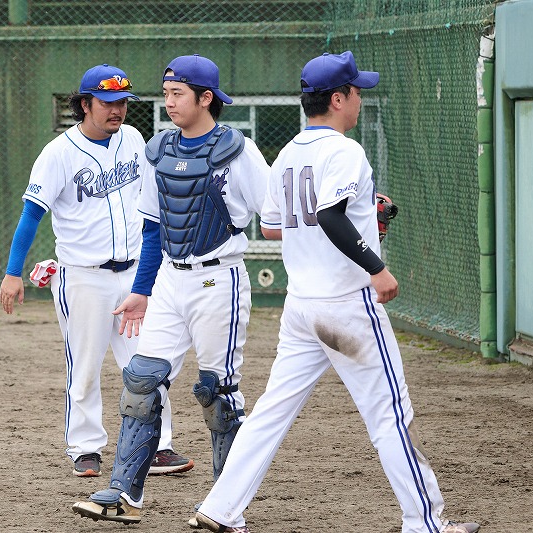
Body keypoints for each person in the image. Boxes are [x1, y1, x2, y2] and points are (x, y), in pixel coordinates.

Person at [189, 51, 481, 533]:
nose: (360, 99)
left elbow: (275, 227)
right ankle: (425, 524)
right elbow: (328, 215)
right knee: (390, 416)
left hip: (301, 306)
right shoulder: (345, 151)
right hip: (348, 306)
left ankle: (220, 508)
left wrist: (360, 218)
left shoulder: (288, 152)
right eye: (356, 91)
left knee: (271, 412)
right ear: (338, 99)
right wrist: (376, 266)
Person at [71, 54, 270, 524]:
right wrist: (141, 290)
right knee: (141, 381)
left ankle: (226, 507)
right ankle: (124, 495)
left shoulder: (239, 151)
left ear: (206, 98)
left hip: (219, 279)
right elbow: (153, 228)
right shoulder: (158, 151)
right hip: (168, 281)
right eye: (166, 93)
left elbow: (277, 216)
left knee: (217, 392)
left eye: (178, 93)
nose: (169, 102)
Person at [0, 63, 193, 480]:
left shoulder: (133, 139)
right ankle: (86, 449)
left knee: (147, 362)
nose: (117, 109)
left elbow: (152, 203)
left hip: (136, 274)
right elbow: (31, 215)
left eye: (122, 102)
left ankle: (157, 445)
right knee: (85, 365)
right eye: (107, 102)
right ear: (85, 105)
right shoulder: (58, 153)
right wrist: (13, 273)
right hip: (84, 276)